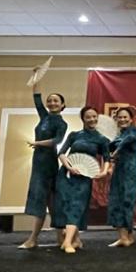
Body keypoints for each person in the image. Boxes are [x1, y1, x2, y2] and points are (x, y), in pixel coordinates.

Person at [18, 69, 68, 249]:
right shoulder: (44, 117)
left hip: (48, 164)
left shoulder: (61, 123)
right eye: (50, 100)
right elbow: (37, 98)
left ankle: (43, 238)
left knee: (50, 201)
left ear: (62, 105)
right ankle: (39, 239)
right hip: (38, 162)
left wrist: (38, 143)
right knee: (44, 201)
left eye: (56, 101)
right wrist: (37, 76)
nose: (52, 103)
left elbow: (57, 140)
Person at [54, 106, 110, 253]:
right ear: (83, 119)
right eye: (88, 117)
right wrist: (69, 166)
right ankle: (76, 240)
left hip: (84, 178)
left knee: (77, 206)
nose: (92, 119)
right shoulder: (74, 135)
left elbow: (107, 158)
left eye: (94, 116)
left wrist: (104, 171)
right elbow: (61, 153)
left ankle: (67, 242)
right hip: (66, 174)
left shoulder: (102, 139)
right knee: (64, 205)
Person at [107, 107, 136, 247]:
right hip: (119, 171)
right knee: (116, 200)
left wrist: (116, 151)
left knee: (128, 201)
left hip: (131, 171)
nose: (122, 119)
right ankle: (124, 237)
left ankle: (128, 235)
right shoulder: (117, 135)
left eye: (125, 117)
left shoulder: (134, 130)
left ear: (131, 119)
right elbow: (108, 148)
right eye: (120, 117)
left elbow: (127, 140)